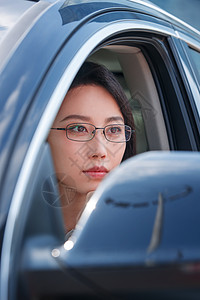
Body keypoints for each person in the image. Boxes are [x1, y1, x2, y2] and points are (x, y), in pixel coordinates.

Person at [48, 61, 135, 235]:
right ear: (42, 135)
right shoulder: (11, 226)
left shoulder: (139, 231)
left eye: (114, 130)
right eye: (78, 129)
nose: (101, 152)